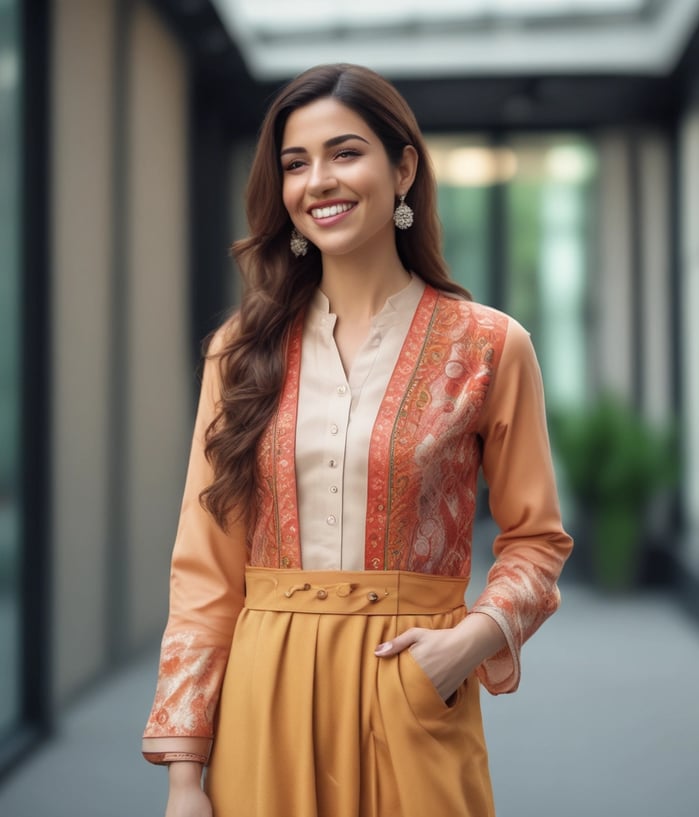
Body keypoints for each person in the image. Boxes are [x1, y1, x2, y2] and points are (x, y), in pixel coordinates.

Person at [142, 63, 573, 817]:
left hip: (413, 689)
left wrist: (469, 642)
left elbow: (536, 540)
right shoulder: (239, 353)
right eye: (296, 163)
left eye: (345, 153)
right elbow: (205, 571)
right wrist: (185, 774)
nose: (319, 182)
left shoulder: (490, 347)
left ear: (403, 167)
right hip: (263, 698)